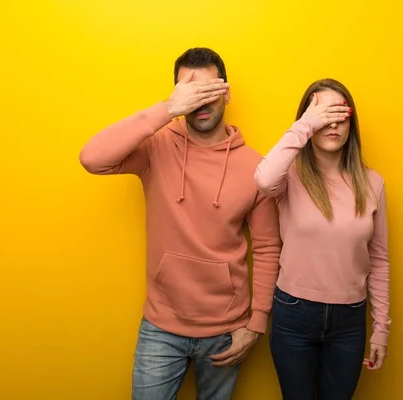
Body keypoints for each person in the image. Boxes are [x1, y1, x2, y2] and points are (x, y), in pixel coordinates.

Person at [79, 47, 282, 400]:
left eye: (208, 90)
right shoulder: (155, 148)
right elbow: (92, 158)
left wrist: (257, 323)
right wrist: (168, 109)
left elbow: (267, 247)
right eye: (190, 92)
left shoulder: (256, 167)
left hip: (227, 330)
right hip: (161, 327)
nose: (200, 102)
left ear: (227, 92)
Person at [254, 78, 391, 399]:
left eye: (340, 115)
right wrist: (304, 125)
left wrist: (381, 329)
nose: (332, 124)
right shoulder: (288, 176)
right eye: (323, 114)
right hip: (294, 314)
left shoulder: (373, 183)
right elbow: (263, 180)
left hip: (350, 320)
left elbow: (380, 258)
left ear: (351, 124)